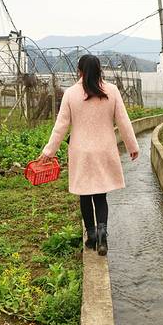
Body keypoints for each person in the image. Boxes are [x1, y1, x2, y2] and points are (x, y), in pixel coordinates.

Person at [38, 54, 139, 256]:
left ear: (79, 71)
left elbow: (61, 126)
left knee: (84, 195)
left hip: (80, 152)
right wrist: (132, 146)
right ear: (100, 70)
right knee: (100, 195)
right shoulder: (112, 91)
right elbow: (123, 120)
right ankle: (102, 236)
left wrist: (48, 151)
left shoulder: (71, 94)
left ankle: (91, 236)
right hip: (104, 150)